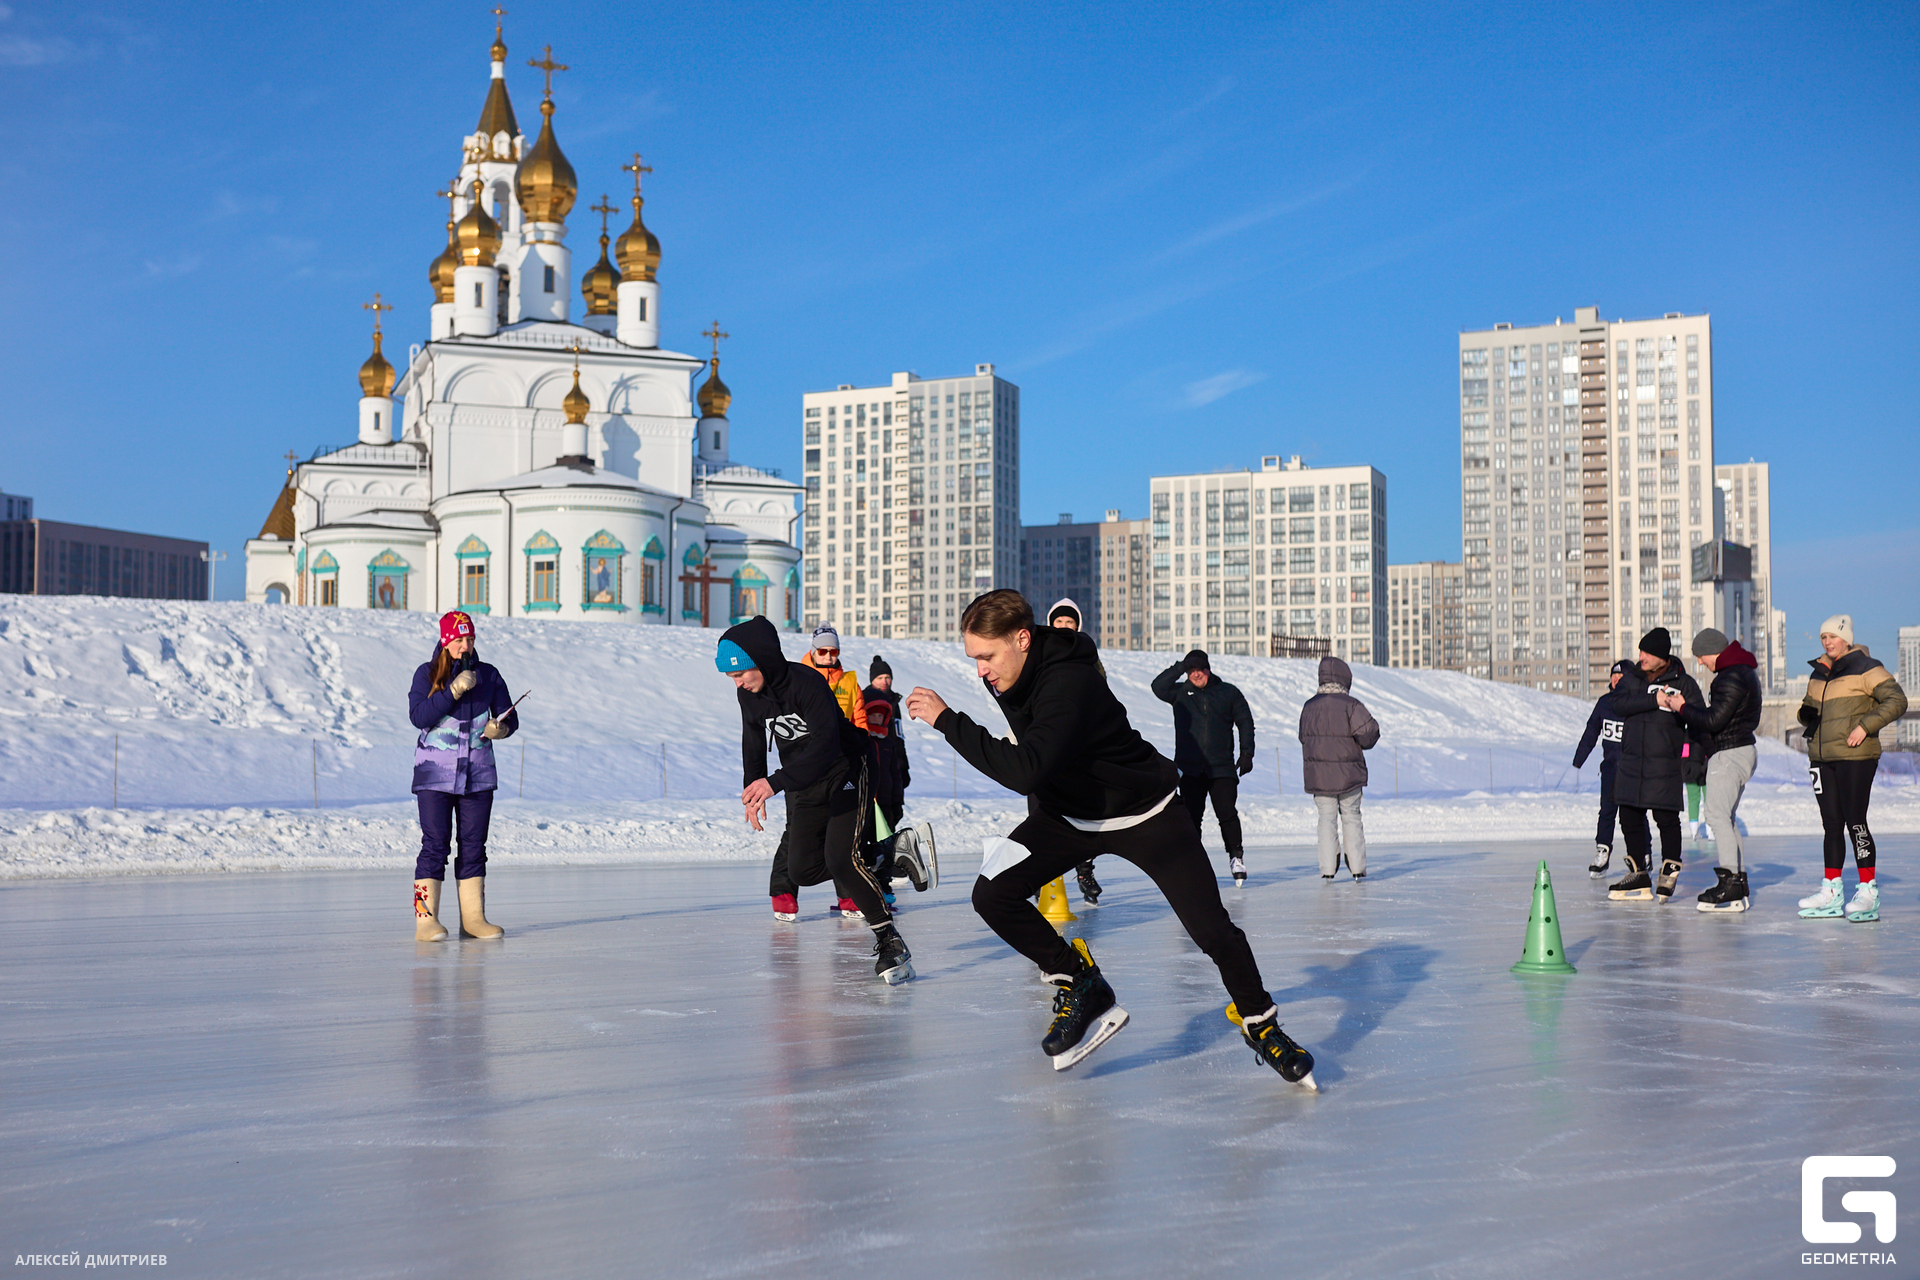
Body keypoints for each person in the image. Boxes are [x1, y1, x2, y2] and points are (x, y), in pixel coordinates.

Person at [905, 590, 1316, 1088]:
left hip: (1148, 814)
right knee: (992, 892)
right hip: (1071, 816)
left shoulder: (1068, 681)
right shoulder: (1011, 670)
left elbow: (1027, 768)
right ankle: (1080, 982)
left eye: (986, 657)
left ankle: (1262, 1026)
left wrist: (949, 722)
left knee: (1212, 930)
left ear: (1021, 639)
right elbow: (1040, 756)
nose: (981, 671)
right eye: (974, 659)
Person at [717, 616, 921, 982]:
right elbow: (752, 740)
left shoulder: (806, 683)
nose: (739, 683)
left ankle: (889, 940)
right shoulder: (748, 695)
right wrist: (753, 788)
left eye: (742, 674)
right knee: (802, 870)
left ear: (763, 660)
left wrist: (776, 783)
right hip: (805, 782)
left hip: (847, 769)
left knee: (840, 860)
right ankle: (889, 852)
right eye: (733, 678)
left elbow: (827, 747)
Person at [407, 611, 519, 941]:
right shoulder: (426, 675)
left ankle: (473, 919)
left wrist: (502, 728)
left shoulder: (489, 675)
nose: (466, 645)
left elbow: (509, 716)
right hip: (434, 776)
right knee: (434, 845)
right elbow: (419, 717)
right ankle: (425, 921)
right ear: (446, 643)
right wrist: (452, 690)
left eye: (470, 639)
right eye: (459, 640)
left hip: (478, 775)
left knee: (473, 847)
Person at [1795, 615, 1908, 923]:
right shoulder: (1819, 672)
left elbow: (1897, 701)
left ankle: (1868, 890)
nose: (1827, 642)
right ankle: (1831, 890)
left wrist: (1864, 726)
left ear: (1846, 638)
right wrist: (1806, 713)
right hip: (1821, 756)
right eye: (1823, 638)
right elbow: (1811, 709)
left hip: (1855, 756)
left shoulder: (1866, 667)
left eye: (1832, 636)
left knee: (1855, 821)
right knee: (1831, 824)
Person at [770, 623, 867, 917]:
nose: (828, 656)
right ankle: (783, 890)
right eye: (822, 650)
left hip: (838, 767)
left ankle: (849, 894)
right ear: (813, 651)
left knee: (840, 831)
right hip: (801, 768)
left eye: (833, 651)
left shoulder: (849, 682)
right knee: (796, 829)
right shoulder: (794, 677)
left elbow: (859, 720)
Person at [1665, 629, 1763, 911]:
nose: (1700, 663)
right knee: (1726, 818)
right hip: (1739, 750)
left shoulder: (1730, 676)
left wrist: (1682, 708)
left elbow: (1714, 720)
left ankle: (1730, 881)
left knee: (1716, 816)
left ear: (1712, 650)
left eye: (1700, 657)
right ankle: (1738, 881)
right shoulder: (1742, 672)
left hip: (1730, 753)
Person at [1605, 628, 1705, 903]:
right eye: (1640, 651)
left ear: (1662, 656)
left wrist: (1693, 759)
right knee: (1629, 817)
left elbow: (1698, 723)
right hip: (1631, 764)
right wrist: (1654, 699)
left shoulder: (1683, 683)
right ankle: (1638, 875)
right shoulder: (1631, 679)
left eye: (1647, 652)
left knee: (1666, 819)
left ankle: (1670, 868)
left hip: (1664, 765)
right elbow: (1617, 704)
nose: (1641, 657)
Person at [1152, 649, 1256, 886]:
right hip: (1190, 769)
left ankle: (1236, 857)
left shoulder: (1228, 692)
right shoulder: (1180, 692)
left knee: (1227, 813)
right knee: (1190, 819)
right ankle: (1191, 863)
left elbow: (1245, 721)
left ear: (1208, 669)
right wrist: (1180, 667)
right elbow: (1157, 686)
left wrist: (1247, 753)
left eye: (1199, 669)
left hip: (1221, 769)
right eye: (1191, 671)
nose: (1195, 675)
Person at [1298, 655, 1380, 881]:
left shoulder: (1309, 707)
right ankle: (1357, 868)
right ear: (1345, 678)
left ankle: (1327, 869)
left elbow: (1303, 737)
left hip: (1320, 777)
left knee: (1326, 819)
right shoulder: (1352, 705)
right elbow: (1369, 735)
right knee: (1352, 817)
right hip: (1349, 776)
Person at [1046, 599, 1105, 904]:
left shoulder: (1089, 657)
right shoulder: (1040, 655)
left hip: (1081, 745)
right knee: (1043, 812)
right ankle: (1037, 877)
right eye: (1059, 623)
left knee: (1083, 812)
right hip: (1047, 744)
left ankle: (1084, 871)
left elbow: (1102, 695)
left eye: (1070, 623)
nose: (1065, 628)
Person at [1572, 660, 1633, 878]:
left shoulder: (1636, 703)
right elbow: (1591, 731)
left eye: (1621, 676)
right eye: (1613, 676)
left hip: (1632, 770)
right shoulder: (1604, 703)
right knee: (1606, 812)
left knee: (1634, 814)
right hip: (1609, 769)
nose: (1616, 679)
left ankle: (1642, 854)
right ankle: (1602, 852)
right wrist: (1579, 758)